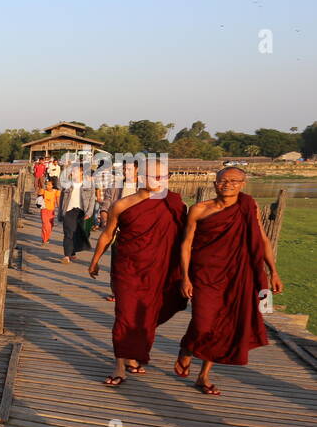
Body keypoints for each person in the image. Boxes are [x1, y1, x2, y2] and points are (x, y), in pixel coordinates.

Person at [173, 166, 283, 396]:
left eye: (234, 181)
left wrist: (273, 271)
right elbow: (186, 244)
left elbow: (261, 238)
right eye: (223, 180)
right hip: (205, 273)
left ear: (242, 184)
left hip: (237, 274)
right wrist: (185, 277)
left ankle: (203, 376)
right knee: (203, 321)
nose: (228, 184)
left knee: (225, 323)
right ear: (215, 183)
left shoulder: (247, 206)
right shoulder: (199, 210)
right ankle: (187, 347)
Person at [88, 158, 187, 385]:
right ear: (141, 178)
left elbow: (185, 239)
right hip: (129, 268)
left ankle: (134, 357)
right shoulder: (123, 205)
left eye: (165, 177)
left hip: (160, 270)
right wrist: (94, 260)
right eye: (156, 176)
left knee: (148, 315)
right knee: (125, 315)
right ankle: (119, 365)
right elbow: (107, 234)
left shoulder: (175, 204)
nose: (162, 181)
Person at [57, 162, 94, 262]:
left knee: (77, 232)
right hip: (68, 210)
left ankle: (72, 252)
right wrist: (60, 212)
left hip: (81, 211)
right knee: (68, 232)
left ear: (81, 172)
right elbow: (61, 199)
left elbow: (92, 200)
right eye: (72, 171)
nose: (72, 173)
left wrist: (89, 213)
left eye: (75, 171)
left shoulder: (88, 184)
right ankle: (66, 256)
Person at [40, 177, 60, 245]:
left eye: (49, 185)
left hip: (51, 211)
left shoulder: (56, 192)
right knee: (45, 224)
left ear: (53, 185)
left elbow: (57, 200)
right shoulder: (43, 191)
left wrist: (60, 208)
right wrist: (42, 188)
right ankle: (44, 239)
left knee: (50, 225)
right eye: (46, 184)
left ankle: (47, 237)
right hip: (44, 209)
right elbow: (39, 196)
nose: (47, 186)